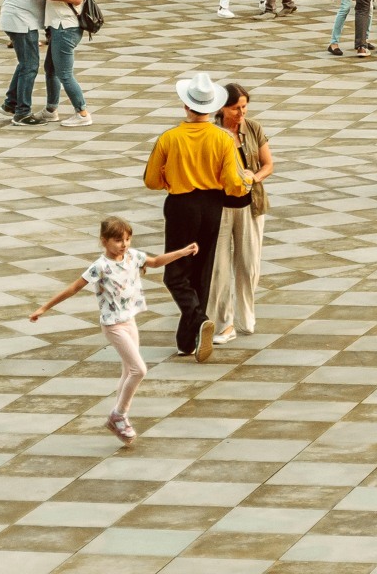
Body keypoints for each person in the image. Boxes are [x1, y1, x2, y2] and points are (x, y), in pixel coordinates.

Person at [29, 217, 198, 445]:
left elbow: (156, 261)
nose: (124, 244)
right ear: (104, 241)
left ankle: (118, 418)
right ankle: (118, 415)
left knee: (128, 370)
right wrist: (44, 308)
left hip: (129, 321)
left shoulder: (133, 256)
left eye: (127, 239)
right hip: (113, 325)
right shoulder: (100, 267)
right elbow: (74, 288)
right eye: (118, 240)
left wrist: (184, 252)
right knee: (139, 370)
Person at [143, 73, 251, 363]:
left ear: (185, 106)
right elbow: (233, 182)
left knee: (175, 273)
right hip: (212, 205)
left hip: (181, 204)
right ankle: (187, 340)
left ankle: (198, 318)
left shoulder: (170, 138)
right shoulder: (223, 139)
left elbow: (151, 180)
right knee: (202, 271)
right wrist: (248, 183)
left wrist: (171, 179)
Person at [207, 82, 271, 346]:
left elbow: (268, 164)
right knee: (219, 268)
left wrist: (253, 177)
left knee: (249, 263)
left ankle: (246, 317)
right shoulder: (211, 132)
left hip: (251, 205)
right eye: (236, 108)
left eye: (244, 107)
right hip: (219, 207)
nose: (241, 113)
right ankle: (224, 323)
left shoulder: (253, 127)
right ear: (222, 108)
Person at [0, 0, 82, 126]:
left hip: (19, 17)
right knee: (29, 66)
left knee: (25, 63)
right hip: (21, 18)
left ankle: (10, 103)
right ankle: (22, 113)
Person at [35, 0, 90, 125]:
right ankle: (51, 110)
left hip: (66, 30)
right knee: (51, 70)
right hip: (61, 29)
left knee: (65, 74)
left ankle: (82, 113)